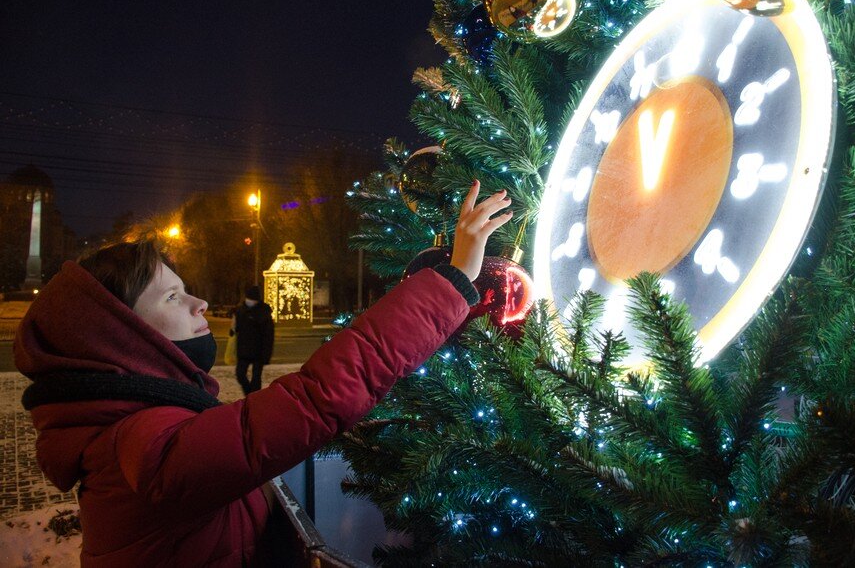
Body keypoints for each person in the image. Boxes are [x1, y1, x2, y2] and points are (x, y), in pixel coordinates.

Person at [15, 181, 511, 566]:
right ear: (123, 335)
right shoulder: (146, 449)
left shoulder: (142, 423)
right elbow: (315, 399)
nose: (199, 302)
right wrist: (452, 282)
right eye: (171, 297)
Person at [231, 285, 274, 395]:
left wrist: (266, 355)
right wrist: (233, 330)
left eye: (252, 299)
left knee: (256, 378)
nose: (249, 301)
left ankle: (254, 398)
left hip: (259, 351)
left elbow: (268, 335)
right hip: (243, 350)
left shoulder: (263, 312)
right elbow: (237, 328)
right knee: (240, 374)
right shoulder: (241, 310)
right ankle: (250, 394)